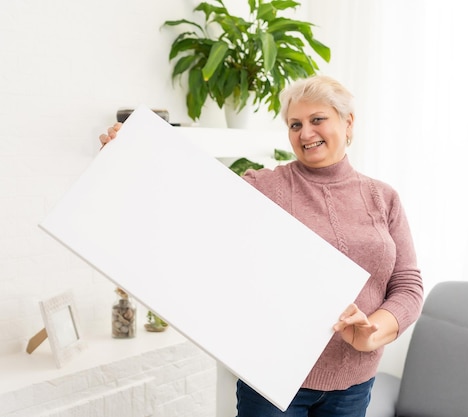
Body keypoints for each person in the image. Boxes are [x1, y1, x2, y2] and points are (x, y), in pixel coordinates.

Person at [99, 75, 423, 417]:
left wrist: (372, 333)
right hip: (274, 381)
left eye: (317, 120)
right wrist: (128, 157)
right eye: (295, 124)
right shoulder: (265, 188)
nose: (305, 133)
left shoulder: (383, 197)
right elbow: (186, 202)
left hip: (355, 383)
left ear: (348, 122)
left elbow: (407, 285)